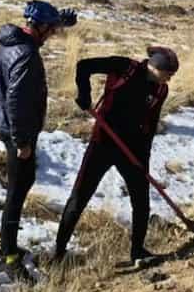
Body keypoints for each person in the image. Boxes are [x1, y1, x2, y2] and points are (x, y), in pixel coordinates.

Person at [54, 46, 179, 268]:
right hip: (103, 142)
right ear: (156, 66)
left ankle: (138, 251)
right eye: (169, 72)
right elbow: (84, 66)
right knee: (80, 195)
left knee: (141, 200)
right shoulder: (125, 67)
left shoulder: (161, 90)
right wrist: (84, 94)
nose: (170, 78)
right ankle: (59, 253)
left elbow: (149, 125)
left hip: (132, 149)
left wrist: (143, 161)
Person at [0, 0, 77, 282]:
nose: (53, 34)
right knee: (17, 191)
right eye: (50, 29)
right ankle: (9, 256)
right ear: (39, 27)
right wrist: (22, 141)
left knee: (20, 186)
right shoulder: (26, 55)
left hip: (8, 126)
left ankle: (8, 246)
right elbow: (16, 101)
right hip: (18, 131)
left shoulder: (12, 41)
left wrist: (59, 21)